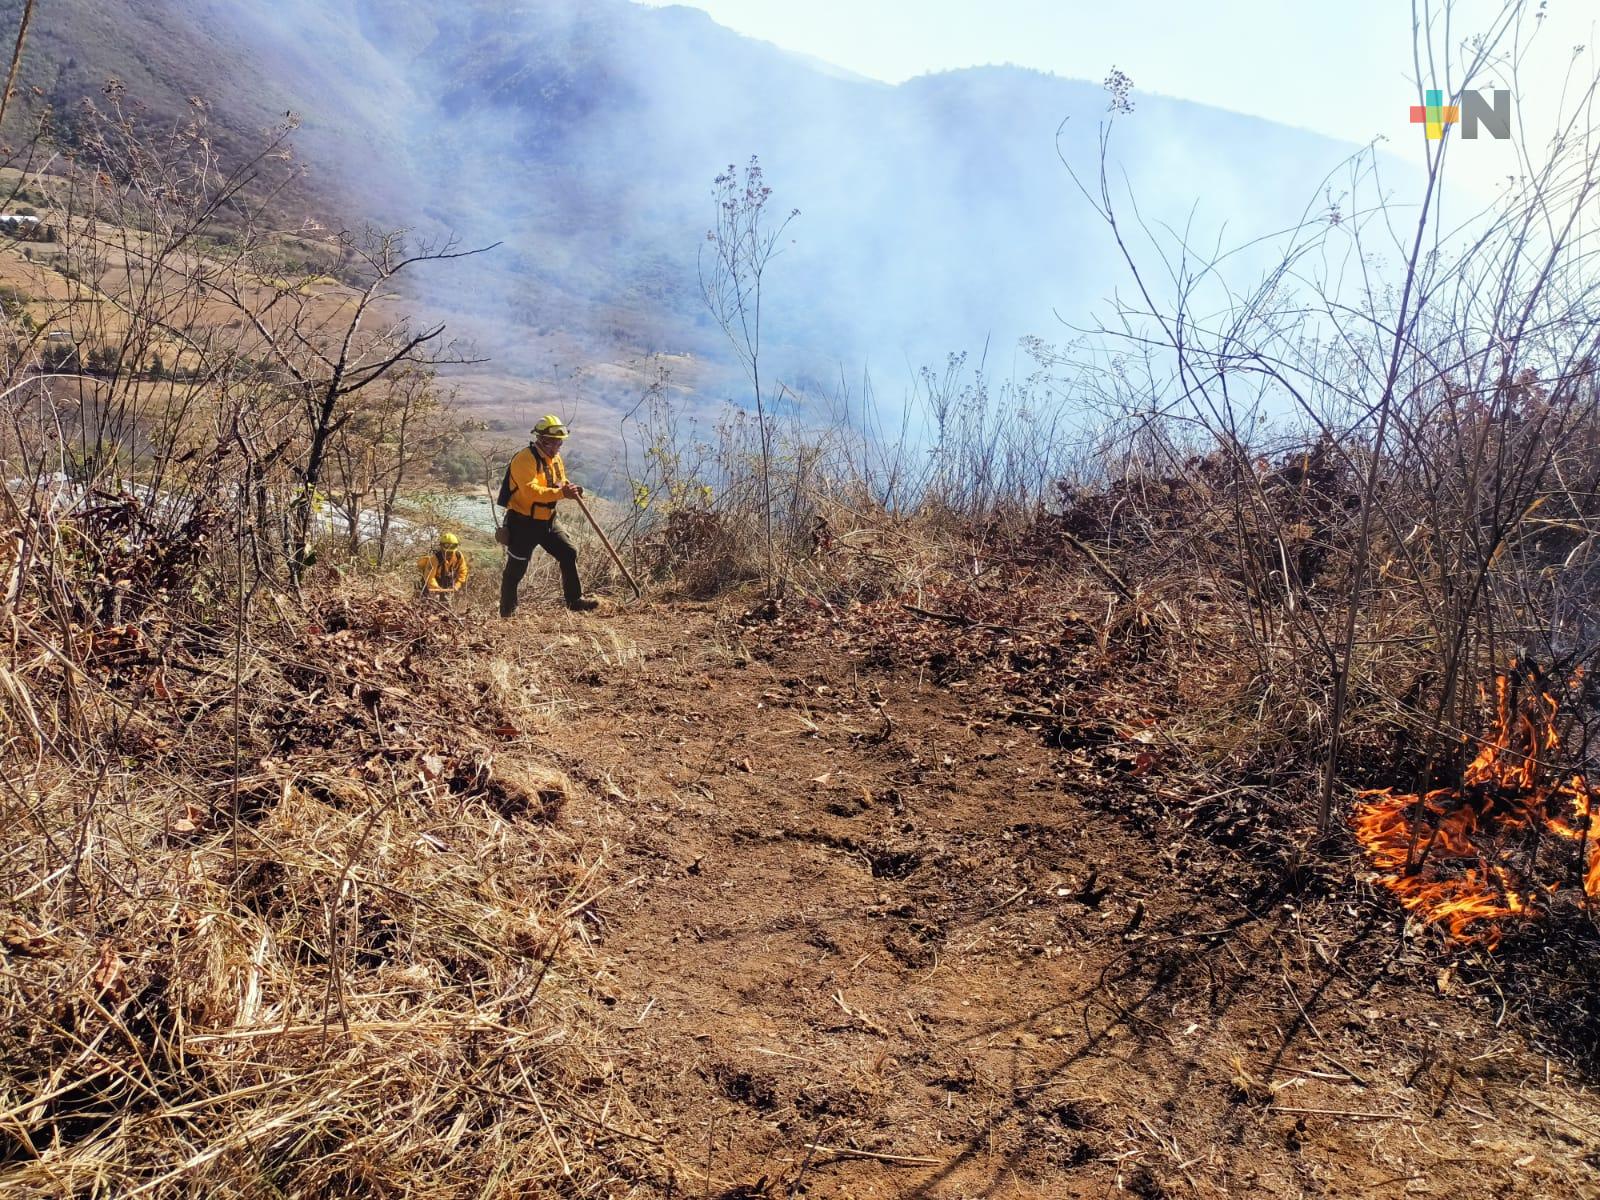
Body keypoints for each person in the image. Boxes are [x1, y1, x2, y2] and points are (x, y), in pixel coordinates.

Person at [496, 415, 599, 616]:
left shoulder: (555, 459)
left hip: (548, 521)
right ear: (542, 439)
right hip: (523, 523)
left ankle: (574, 601)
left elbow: (560, 481)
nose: (557, 446)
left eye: (560, 442)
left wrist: (570, 489)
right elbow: (530, 491)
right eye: (553, 442)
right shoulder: (524, 459)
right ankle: (507, 613)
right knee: (515, 571)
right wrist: (561, 493)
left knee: (568, 553)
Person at [418, 531, 469, 599]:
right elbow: (429, 578)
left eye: (451, 552)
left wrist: (458, 584)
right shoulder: (434, 559)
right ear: (441, 547)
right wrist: (436, 588)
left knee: (446, 602)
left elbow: (463, 571)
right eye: (446, 552)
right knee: (428, 601)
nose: (449, 554)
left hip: (446, 582)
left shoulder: (458, 556)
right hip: (431, 583)